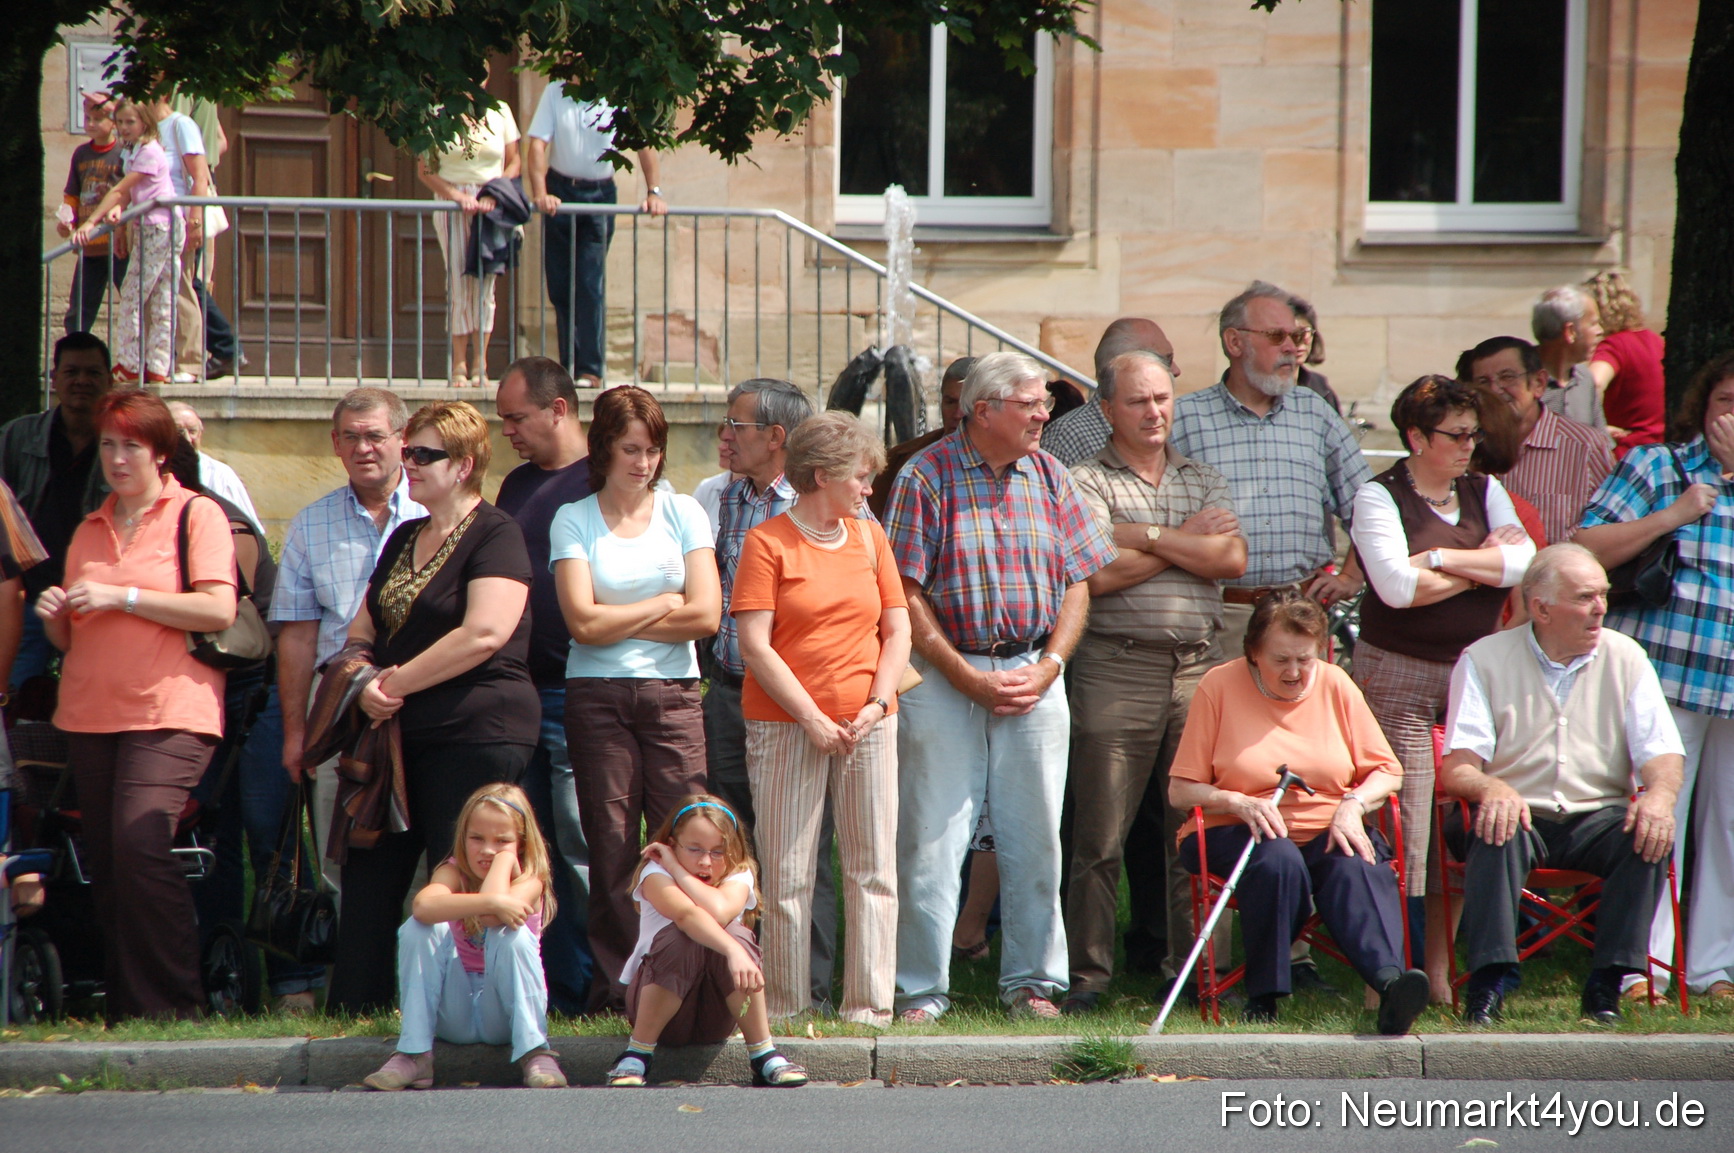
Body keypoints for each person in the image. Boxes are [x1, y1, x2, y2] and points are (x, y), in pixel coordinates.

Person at [885, 351, 1117, 1021]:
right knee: (932, 838)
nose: (1045, 414)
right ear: (982, 411)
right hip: (945, 675)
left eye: (1044, 402)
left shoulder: (1049, 473)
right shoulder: (925, 475)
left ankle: (1033, 985)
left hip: (1034, 672)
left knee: (1036, 835)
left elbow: (1079, 577)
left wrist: (1049, 666)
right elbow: (904, 591)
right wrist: (964, 675)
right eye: (1031, 403)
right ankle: (921, 992)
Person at [328, 400, 539, 1015]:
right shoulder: (403, 536)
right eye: (409, 451)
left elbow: (485, 634)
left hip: (475, 730)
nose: (408, 463)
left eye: (424, 454)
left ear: (465, 464)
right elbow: (361, 627)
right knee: (370, 875)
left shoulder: (496, 533)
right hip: (394, 736)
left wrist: (390, 686)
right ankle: (355, 1015)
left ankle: (476, 1015)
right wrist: (361, 675)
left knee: (466, 878)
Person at [35, 389, 238, 1019]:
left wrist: (123, 596)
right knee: (110, 861)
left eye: (131, 445)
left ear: (160, 452)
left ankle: (178, 1006)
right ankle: (129, 1008)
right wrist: (54, 618)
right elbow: (74, 632)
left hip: (171, 708)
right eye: (108, 444)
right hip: (92, 711)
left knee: (141, 840)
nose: (117, 458)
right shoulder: (90, 526)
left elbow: (217, 609)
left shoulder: (194, 514)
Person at [1063, 350, 1246, 1012]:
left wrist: (1143, 537)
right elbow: (1094, 572)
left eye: (1163, 398)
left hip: (1198, 668)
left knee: (1193, 833)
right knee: (1099, 836)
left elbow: (1231, 555)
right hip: (1116, 664)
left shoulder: (1201, 477)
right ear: (1107, 408)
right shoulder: (1082, 478)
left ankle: (1199, 971)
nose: (1154, 411)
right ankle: (1087, 977)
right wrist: (1182, 542)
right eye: (1139, 400)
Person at [1439, 545, 1683, 1025]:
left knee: (1649, 834)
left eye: (1603, 595)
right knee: (1495, 827)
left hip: (1595, 817)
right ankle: (1488, 986)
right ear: (1541, 608)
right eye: (1586, 597)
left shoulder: (1626, 656)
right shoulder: (1484, 659)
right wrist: (1491, 788)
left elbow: (1662, 752)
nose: (1600, 608)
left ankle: (1605, 987)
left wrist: (1658, 795)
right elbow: (1459, 767)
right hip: (1518, 814)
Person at [1349, 375, 1536, 999]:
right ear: (1415, 437)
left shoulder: (1487, 489)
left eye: (1473, 433)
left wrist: (1435, 559)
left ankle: (1441, 969)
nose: (1468, 446)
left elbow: (1523, 563)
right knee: (1407, 822)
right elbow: (1395, 591)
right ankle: (1389, 973)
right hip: (1397, 672)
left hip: (1473, 672)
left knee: (1463, 820)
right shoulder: (1378, 497)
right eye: (1455, 435)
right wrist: (1477, 565)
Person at [1167, 592, 1429, 1034]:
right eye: (1280, 660)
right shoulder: (1218, 685)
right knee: (1278, 859)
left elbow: (1387, 772)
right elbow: (1180, 790)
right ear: (1253, 653)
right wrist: (1238, 801)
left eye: (1304, 659)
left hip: (1327, 824)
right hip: (1236, 828)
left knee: (1355, 864)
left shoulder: (1335, 684)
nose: (1294, 672)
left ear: (1321, 650)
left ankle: (1391, 986)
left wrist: (1352, 804)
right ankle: (1263, 996)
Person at [733, 412, 910, 1025]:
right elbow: (755, 644)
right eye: (860, 477)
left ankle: (869, 1011)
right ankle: (783, 1011)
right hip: (786, 725)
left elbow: (898, 627)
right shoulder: (767, 542)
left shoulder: (870, 536)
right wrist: (811, 718)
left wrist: (878, 703)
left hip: (868, 724)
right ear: (822, 475)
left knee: (874, 869)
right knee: (786, 875)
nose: (868, 489)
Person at [552, 386, 719, 1011]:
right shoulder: (574, 517)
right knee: (612, 842)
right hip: (595, 697)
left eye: (652, 450)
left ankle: (692, 981)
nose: (643, 462)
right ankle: (621, 990)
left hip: (674, 692)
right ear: (603, 448)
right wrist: (658, 605)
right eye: (630, 449)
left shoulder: (684, 514)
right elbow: (582, 628)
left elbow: (705, 615)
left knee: (690, 838)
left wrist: (616, 614)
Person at [1577, 354, 1734, 1001]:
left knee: (1729, 831)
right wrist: (1675, 514)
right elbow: (1584, 544)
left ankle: (1714, 968)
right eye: (1726, 399)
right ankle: (1642, 964)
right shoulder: (1657, 466)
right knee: (1654, 819)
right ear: (1704, 405)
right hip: (1668, 675)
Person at [705, 379, 839, 1009]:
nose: (723, 435)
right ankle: (742, 980)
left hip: (799, 705)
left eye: (736, 424)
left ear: (776, 438)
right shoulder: (725, 498)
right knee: (733, 844)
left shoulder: (824, 503)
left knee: (801, 848)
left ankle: (804, 988)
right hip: (729, 694)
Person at [272, 389, 425, 896]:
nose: (364, 449)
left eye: (376, 436)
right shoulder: (311, 525)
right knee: (342, 862)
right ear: (335, 445)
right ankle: (356, 971)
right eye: (351, 438)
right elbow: (296, 638)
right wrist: (298, 734)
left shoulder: (438, 513)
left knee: (426, 859)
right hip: (337, 712)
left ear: (402, 441)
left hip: (422, 703)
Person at [1170, 281, 1370, 656]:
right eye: (1277, 336)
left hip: (1302, 614)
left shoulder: (1314, 412)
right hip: (1217, 617)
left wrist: (1350, 576)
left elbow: (1371, 505)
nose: (1293, 348)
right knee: (1221, 716)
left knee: (1298, 718)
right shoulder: (1185, 419)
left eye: (1298, 335)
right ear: (1234, 343)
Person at [493, 356, 595, 1015]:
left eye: (516, 417)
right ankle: (546, 987)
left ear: (558, 409)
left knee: (581, 841)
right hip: (518, 692)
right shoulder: (516, 485)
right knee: (528, 847)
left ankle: (598, 984)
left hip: (577, 688)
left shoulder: (602, 479)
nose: (507, 430)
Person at [362, 783, 566, 1090]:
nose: (487, 850)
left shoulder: (530, 879)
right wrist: (494, 900)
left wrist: (504, 863)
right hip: (454, 1012)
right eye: (476, 838)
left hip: (503, 1015)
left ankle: (535, 1052)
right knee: (418, 926)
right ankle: (414, 1055)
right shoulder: (454, 871)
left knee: (512, 934)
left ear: (522, 844)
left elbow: (491, 918)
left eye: (502, 841)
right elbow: (423, 906)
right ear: (462, 837)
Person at [607, 794, 807, 1088]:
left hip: (717, 1014)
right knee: (685, 934)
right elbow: (688, 915)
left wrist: (679, 869)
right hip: (661, 1012)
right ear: (672, 845)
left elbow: (720, 911)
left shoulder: (739, 873)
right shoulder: (655, 873)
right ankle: (637, 1053)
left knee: (736, 933)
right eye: (694, 849)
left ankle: (764, 1053)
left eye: (718, 852)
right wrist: (731, 950)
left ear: (734, 851)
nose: (705, 862)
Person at [524, 83, 668, 385]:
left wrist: (653, 192)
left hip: (599, 194)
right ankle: (570, 366)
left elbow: (644, 142)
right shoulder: (555, 91)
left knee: (589, 282)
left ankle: (590, 369)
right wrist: (541, 193)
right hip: (560, 191)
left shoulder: (614, 88)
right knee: (561, 284)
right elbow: (537, 144)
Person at [1, 332, 113, 688]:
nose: (82, 381)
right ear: (54, 379)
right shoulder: (17, 438)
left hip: (94, 602)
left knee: (89, 700)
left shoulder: (121, 445)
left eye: (93, 373)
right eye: (72, 372)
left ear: (110, 380)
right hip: (29, 600)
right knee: (15, 699)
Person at [1458, 336, 1613, 546]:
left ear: (1539, 383)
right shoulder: (1464, 447)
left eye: (1507, 377)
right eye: (1484, 382)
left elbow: (1614, 529)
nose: (1495, 390)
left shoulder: (1585, 447)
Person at [417, 85, 521, 387]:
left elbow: (515, 161)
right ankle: (459, 365)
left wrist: (495, 191)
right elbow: (425, 169)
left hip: (491, 203)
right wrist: (455, 196)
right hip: (454, 200)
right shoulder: (437, 113)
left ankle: (481, 365)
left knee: (486, 283)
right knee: (460, 282)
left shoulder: (500, 110)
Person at [70, 100, 181, 384]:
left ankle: (131, 364)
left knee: (133, 295)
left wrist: (92, 222)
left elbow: (120, 189)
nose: (124, 128)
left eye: (130, 122)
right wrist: (120, 218)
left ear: (145, 122)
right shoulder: (135, 151)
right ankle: (157, 366)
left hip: (159, 227)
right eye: (120, 122)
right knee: (160, 298)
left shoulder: (149, 151)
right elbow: (130, 194)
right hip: (152, 224)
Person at [1037, 319, 1180, 468]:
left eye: (1162, 399)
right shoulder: (1066, 440)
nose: (1176, 370)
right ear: (1124, 367)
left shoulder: (1166, 425)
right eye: (1166, 360)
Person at [57, 90, 128, 336]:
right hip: (89, 244)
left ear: (113, 123)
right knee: (79, 309)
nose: (91, 124)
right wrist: (68, 220)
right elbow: (72, 195)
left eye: (98, 119)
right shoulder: (81, 154)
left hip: (119, 244)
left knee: (132, 300)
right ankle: (71, 351)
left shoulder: (123, 153)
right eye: (87, 118)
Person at [867, 357, 971, 520]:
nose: (957, 414)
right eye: (950, 402)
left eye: (966, 405)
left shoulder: (1015, 463)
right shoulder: (902, 461)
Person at [1583, 270, 1666, 458]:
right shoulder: (1657, 342)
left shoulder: (1613, 346)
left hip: (1627, 455)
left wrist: (1596, 427)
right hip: (1663, 451)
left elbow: (1593, 382)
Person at [167, 402, 261, 528]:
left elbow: (247, 527)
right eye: (179, 431)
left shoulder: (221, 475)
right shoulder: (149, 471)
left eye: (192, 431)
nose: (188, 439)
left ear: (201, 433)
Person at [1532, 286, 1608, 432]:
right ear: (1570, 331)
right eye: (1593, 323)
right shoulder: (1521, 380)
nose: (1600, 331)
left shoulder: (1585, 378)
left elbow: (1602, 447)